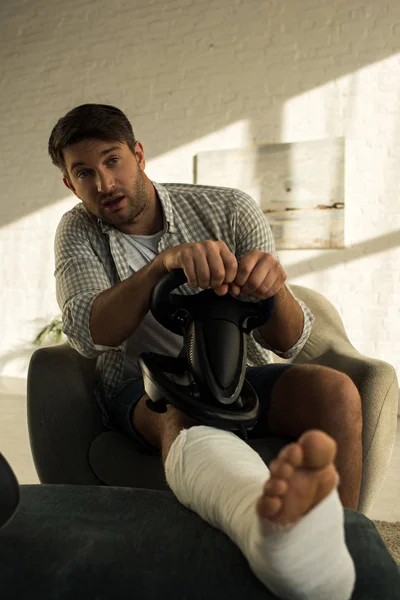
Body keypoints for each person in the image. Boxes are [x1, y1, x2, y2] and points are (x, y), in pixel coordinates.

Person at [48, 104, 360, 599]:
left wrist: (272, 287)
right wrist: (158, 269)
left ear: (138, 154)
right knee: (181, 410)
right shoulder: (78, 231)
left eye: (112, 161)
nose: (103, 183)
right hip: (142, 383)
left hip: (240, 371)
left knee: (335, 392)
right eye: (84, 172)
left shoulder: (230, 209)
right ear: (69, 183)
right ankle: (269, 529)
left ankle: (341, 546)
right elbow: (90, 333)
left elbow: (288, 341)